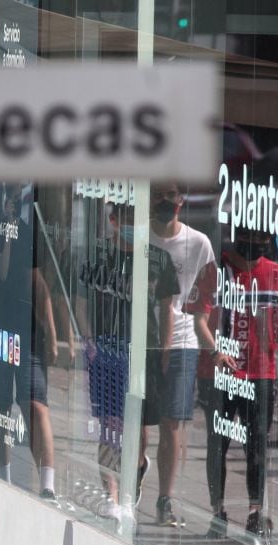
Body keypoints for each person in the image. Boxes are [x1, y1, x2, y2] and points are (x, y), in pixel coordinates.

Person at [190, 227, 278, 538]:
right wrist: (216, 351)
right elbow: (198, 319)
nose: (258, 245)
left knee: (257, 445)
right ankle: (217, 512)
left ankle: (255, 512)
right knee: (217, 445)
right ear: (238, 233)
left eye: (264, 239)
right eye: (252, 237)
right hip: (220, 374)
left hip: (261, 374)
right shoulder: (216, 271)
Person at [77, 203, 179, 521]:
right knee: (110, 426)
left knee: (138, 429)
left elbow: (167, 310)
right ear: (112, 221)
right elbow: (81, 302)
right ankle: (112, 496)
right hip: (107, 351)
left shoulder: (158, 260)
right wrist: (89, 342)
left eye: (138, 220)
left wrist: (165, 350)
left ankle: (135, 469)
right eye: (126, 220)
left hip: (143, 355)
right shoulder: (98, 257)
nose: (133, 225)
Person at [145, 183, 216, 527]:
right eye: (158, 196)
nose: (164, 203)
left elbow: (207, 290)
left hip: (183, 341)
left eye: (170, 198)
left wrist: (207, 336)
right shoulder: (137, 236)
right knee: (142, 423)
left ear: (181, 202)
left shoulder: (198, 243)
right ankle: (139, 463)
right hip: (143, 337)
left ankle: (164, 499)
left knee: (171, 423)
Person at [0, 185, 59, 502]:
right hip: (4, 328)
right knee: (4, 405)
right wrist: (5, 236)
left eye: (17, 200)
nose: (13, 205)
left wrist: (54, 334)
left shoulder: (30, 232)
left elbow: (40, 284)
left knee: (36, 403)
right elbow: (2, 272)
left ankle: (48, 483)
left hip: (27, 330)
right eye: (9, 200)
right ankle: (3, 477)